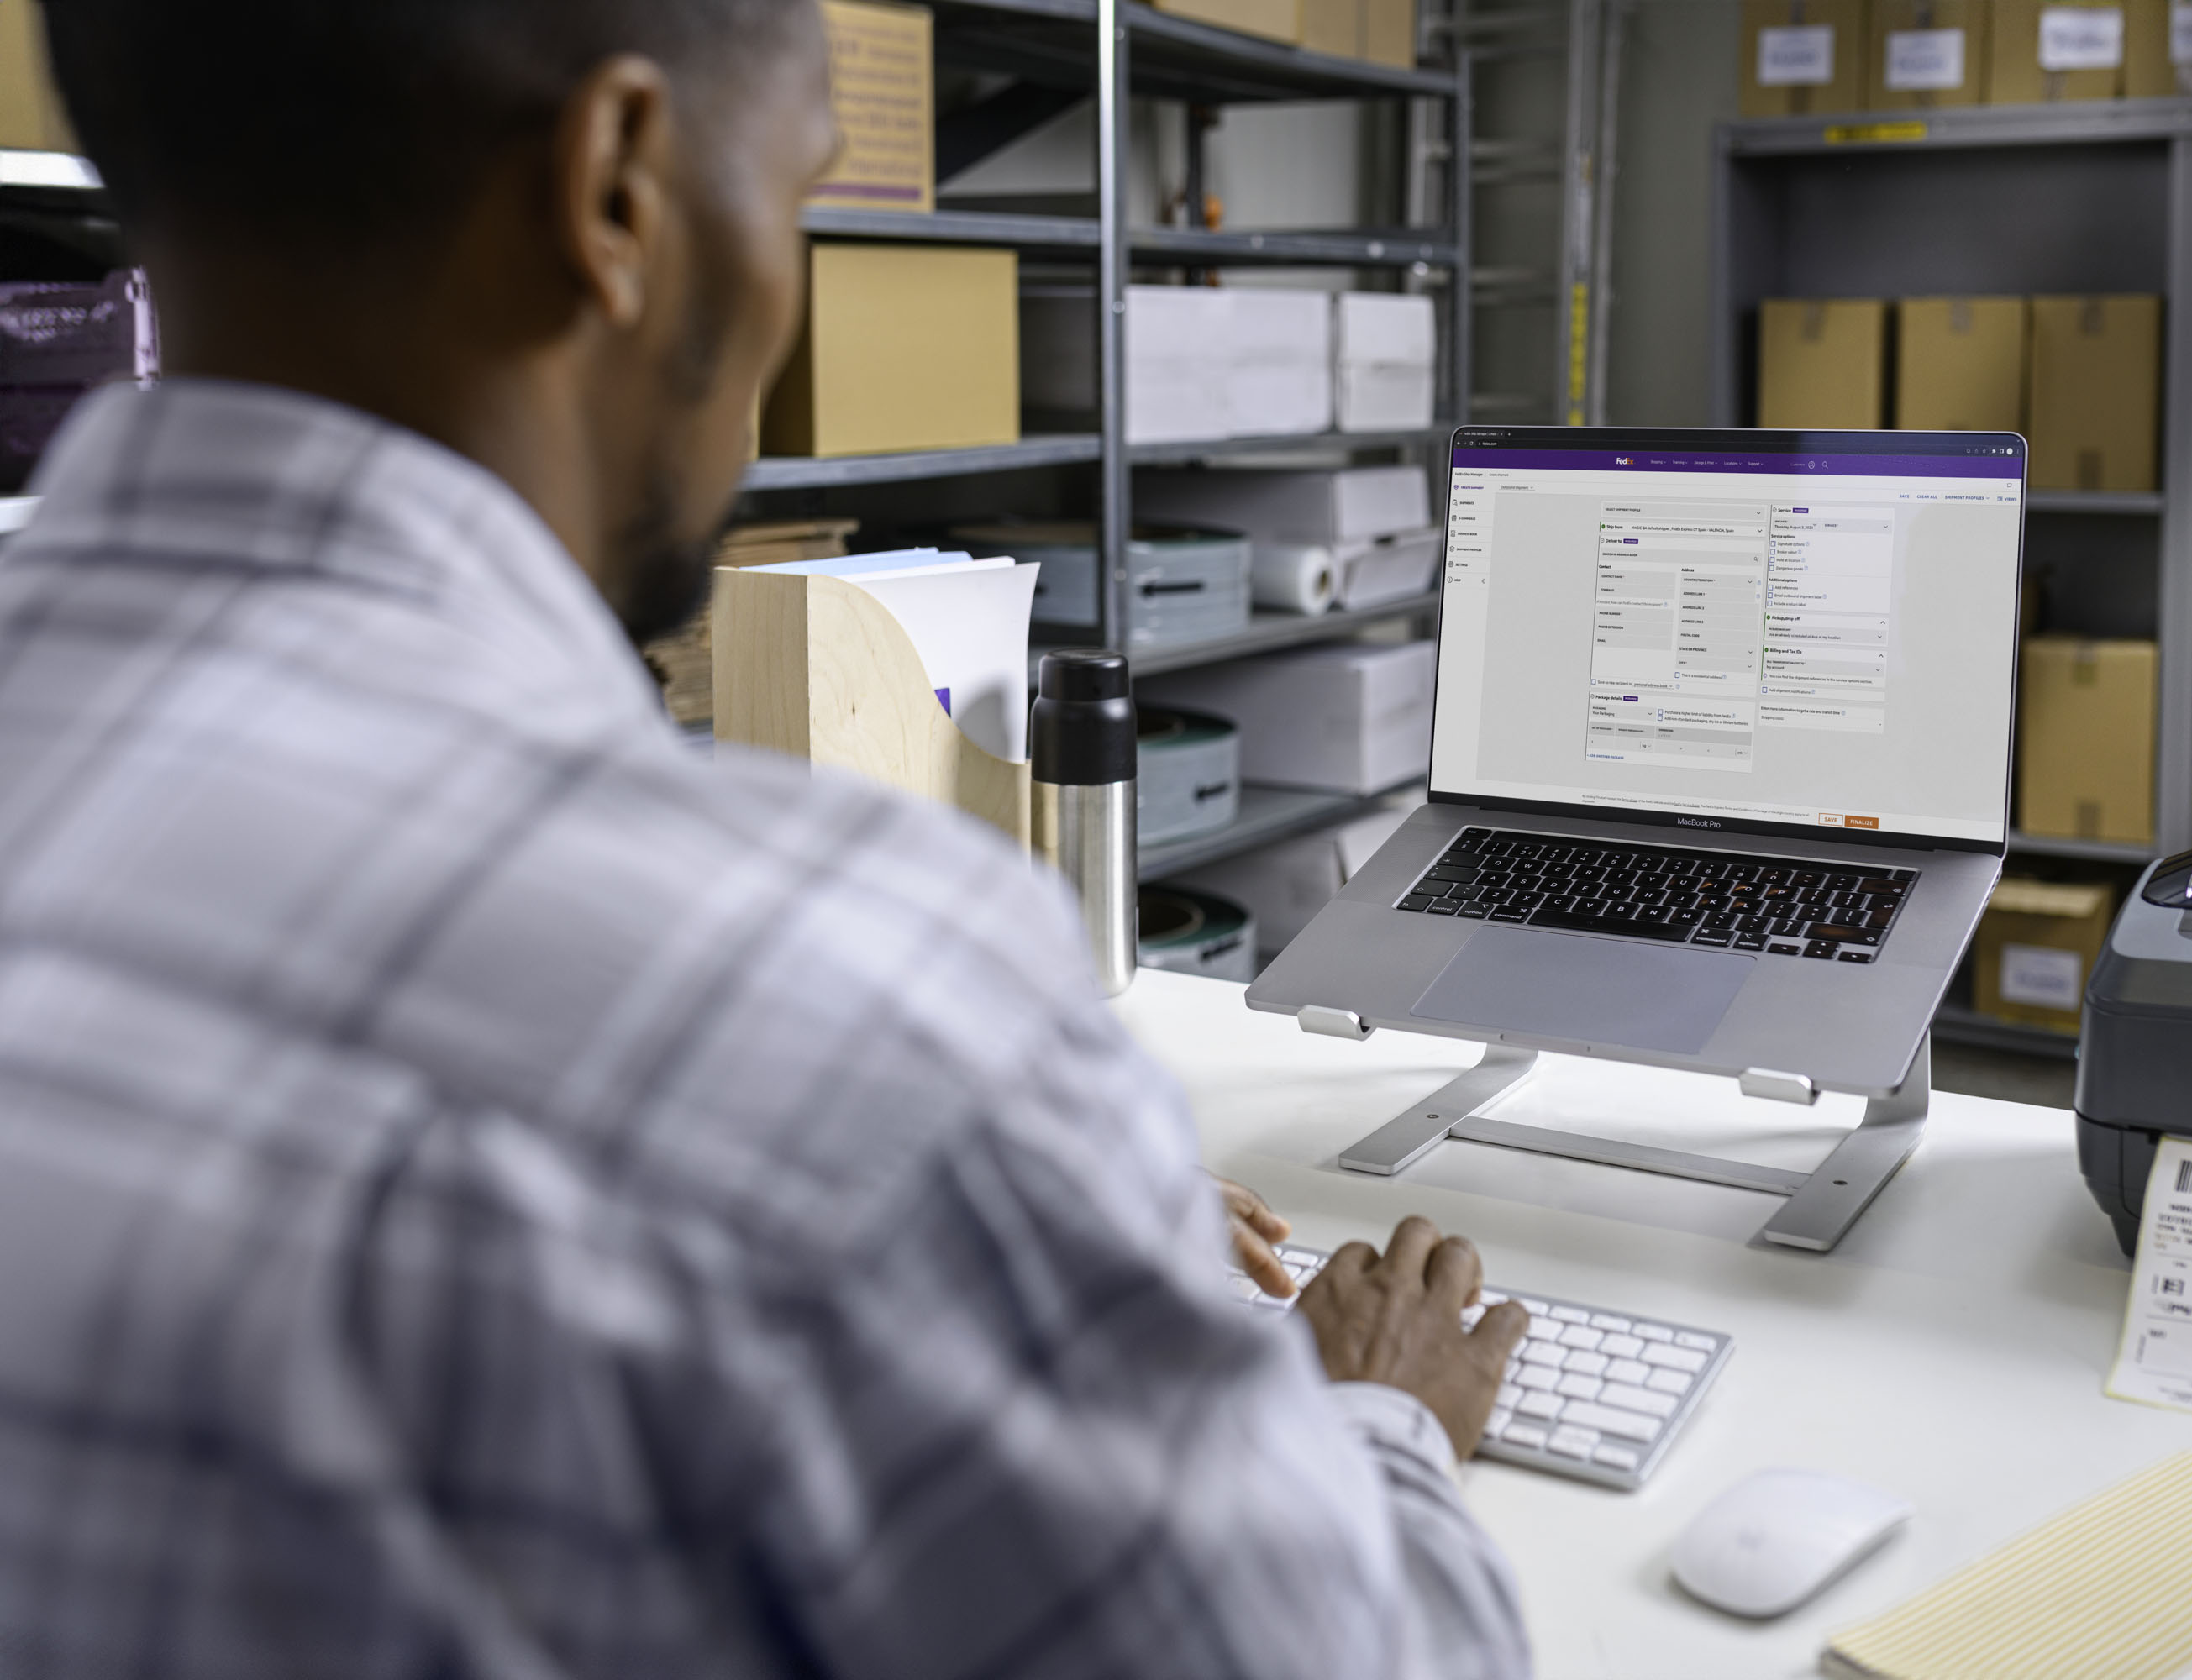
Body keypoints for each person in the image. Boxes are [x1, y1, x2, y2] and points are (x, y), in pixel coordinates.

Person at [0, 1, 1532, 1675]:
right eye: (796, 194)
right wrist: (1384, 1419)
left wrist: (1003, 1221)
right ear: (619, 193)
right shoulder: (853, 1008)